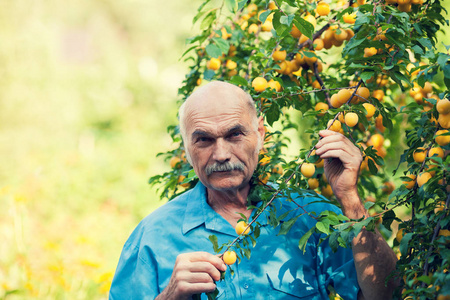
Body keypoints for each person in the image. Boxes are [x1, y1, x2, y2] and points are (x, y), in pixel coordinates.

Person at [109, 81, 398, 300]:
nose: (221, 154)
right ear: (186, 149)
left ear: (260, 135)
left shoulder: (310, 217)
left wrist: (350, 199)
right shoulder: (152, 238)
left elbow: (388, 294)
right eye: (204, 140)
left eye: (235, 134)